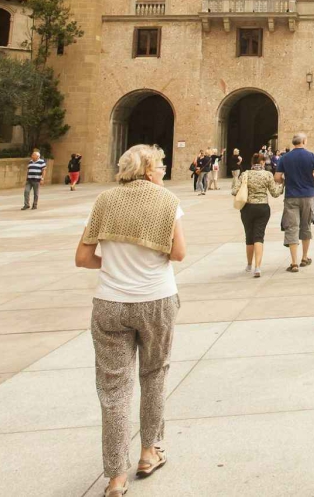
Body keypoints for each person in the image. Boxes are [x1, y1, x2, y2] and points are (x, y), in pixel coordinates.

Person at [74, 143, 185, 497]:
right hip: (156, 300)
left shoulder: (105, 201)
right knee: (153, 376)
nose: (164, 171)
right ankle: (149, 452)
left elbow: (82, 257)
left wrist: (115, 266)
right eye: (161, 166)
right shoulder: (167, 202)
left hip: (110, 303)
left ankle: (115, 477)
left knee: (113, 391)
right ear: (148, 169)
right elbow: (178, 253)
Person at [276, 133, 314, 272]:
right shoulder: (312, 156)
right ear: (304, 141)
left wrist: (287, 180)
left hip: (291, 196)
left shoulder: (285, 157)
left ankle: (294, 262)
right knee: (306, 225)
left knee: (292, 227)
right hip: (308, 196)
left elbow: (277, 177)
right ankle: (304, 257)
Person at [232, 153, 278, 278]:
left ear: (252, 163)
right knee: (259, 236)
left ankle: (248, 265)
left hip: (247, 207)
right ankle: (257, 267)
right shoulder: (267, 175)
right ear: (262, 162)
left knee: (249, 236)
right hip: (263, 208)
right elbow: (274, 193)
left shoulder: (245, 174)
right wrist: (283, 186)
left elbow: (234, 191)